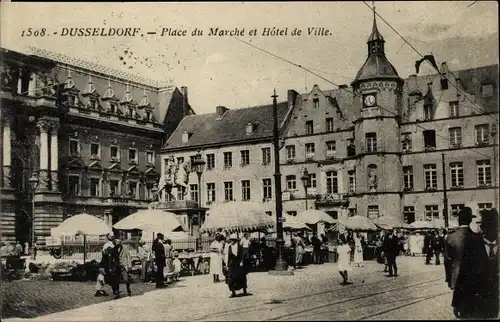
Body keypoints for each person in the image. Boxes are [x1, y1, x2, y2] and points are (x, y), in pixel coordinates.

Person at [444, 206, 484, 319]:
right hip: (473, 278)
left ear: (458, 220)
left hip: (457, 276)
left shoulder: (450, 238)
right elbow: (481, 261)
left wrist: (449, 279)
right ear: (470, 220)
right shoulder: (477, 237)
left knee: (459, 309)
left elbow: (447, 261)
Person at [475, 208, 499, 319]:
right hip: (480, 300)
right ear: (483, 229)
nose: (492, 232)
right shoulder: (474, 246)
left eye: (494, 228)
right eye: (488, 228)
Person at [224, 233, 248, 298]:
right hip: (232, 264)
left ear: (235, 240)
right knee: (231, 278)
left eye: (233, 240)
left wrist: (241, 262)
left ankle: (244, 290)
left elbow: (242, 255)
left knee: (241, 276)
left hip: (238, 263)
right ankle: (233, 292)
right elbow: (228, 256)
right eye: (231, 240)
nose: (231, 241)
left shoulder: (239, 247)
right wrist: (227, 265)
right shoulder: (229, 247)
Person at [95, 232, 115, 297]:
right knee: (110, 276)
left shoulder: (106, 245)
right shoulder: (114, 245)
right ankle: (115, 290)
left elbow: (103, 254)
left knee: (102, 276)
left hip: (105, 263)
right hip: (111, 263)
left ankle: (98, 290)